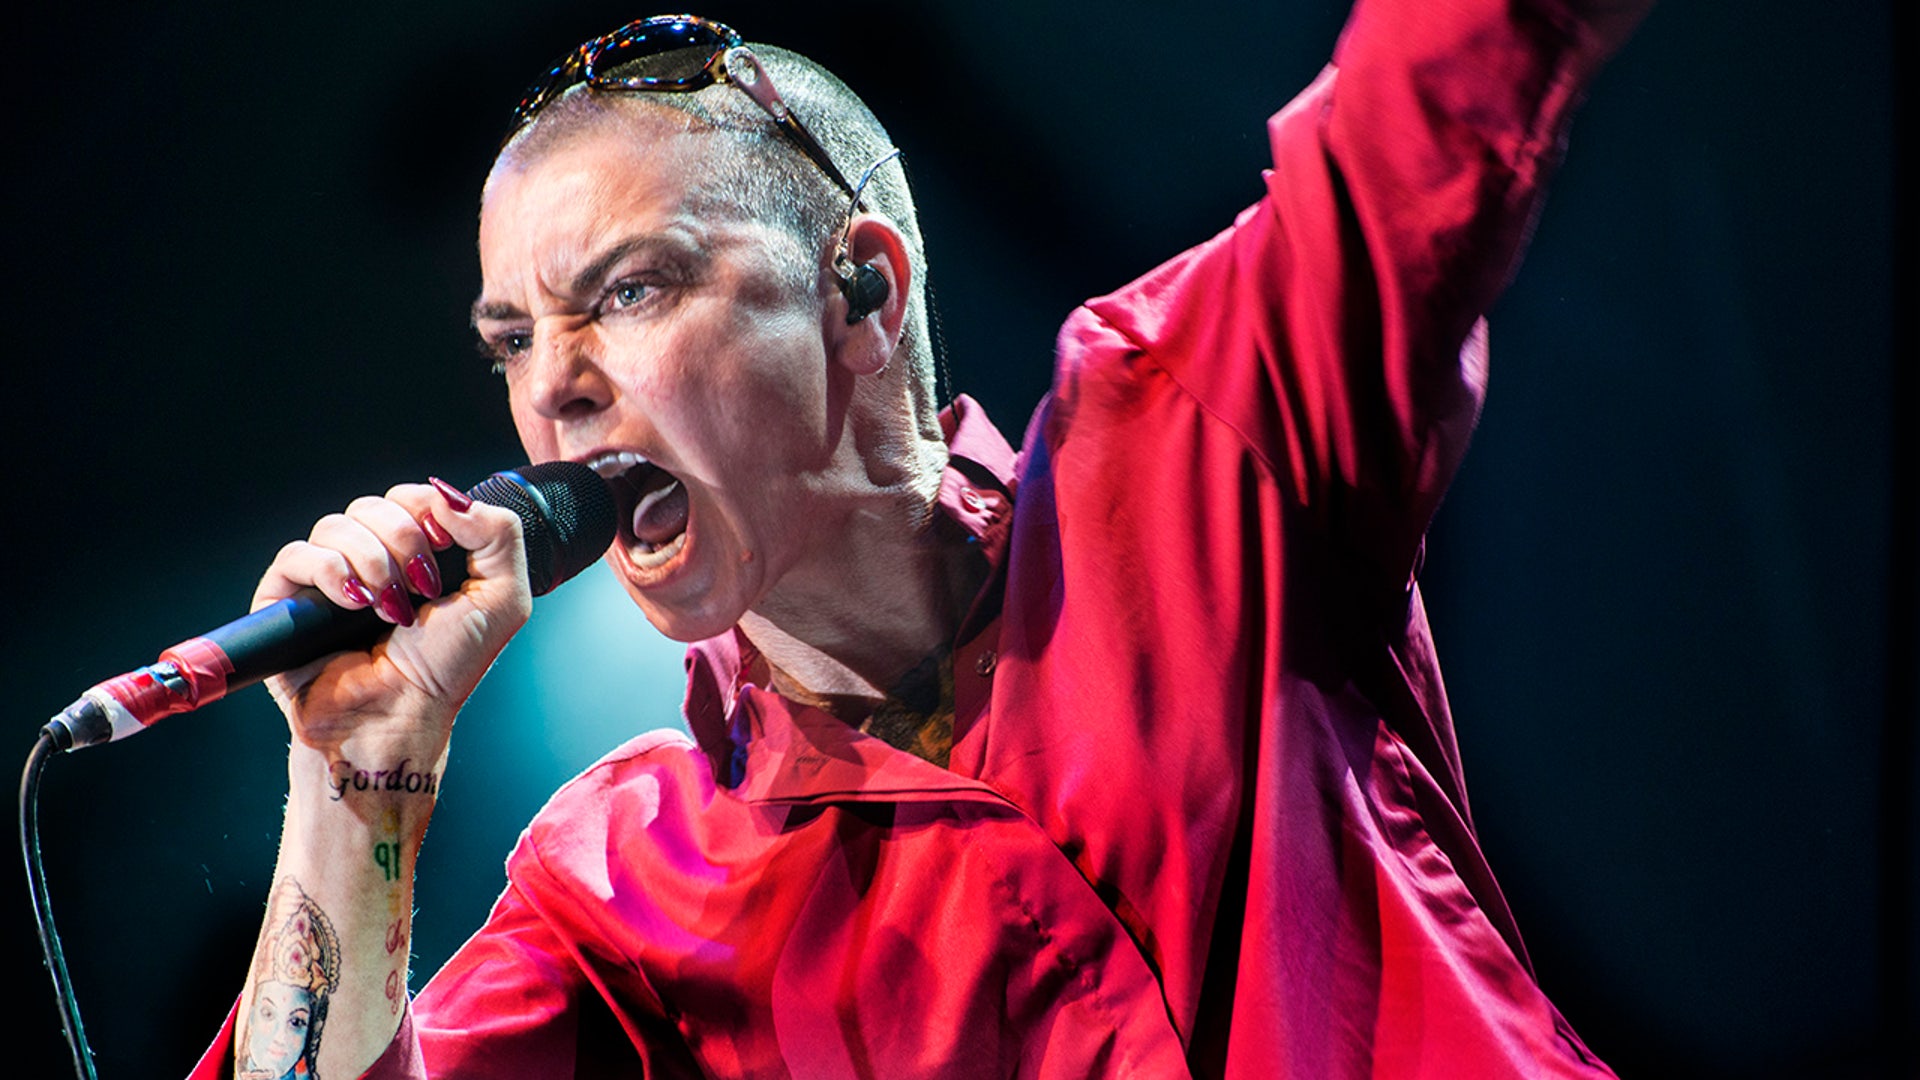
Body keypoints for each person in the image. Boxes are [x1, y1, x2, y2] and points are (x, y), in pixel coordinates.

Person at [189, 1, 1651, 1076]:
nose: (552, 388)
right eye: (515, 338)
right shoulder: (617, 885)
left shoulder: (1187, 441)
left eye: (628, 293)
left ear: (863, 294)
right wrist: (352, 775)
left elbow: (1434, 90)